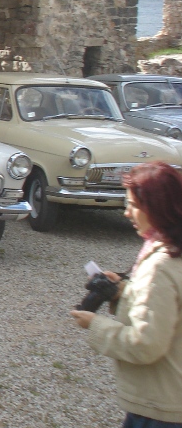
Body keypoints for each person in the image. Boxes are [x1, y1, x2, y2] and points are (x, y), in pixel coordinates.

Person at [70, 161, 182, 427]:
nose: (126, 213)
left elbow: (146, 344)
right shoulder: (173, 250)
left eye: (133, 205)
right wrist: (122, 292)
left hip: (160, 407)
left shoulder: (160, 266)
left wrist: (95, 325)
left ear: (155, 208)